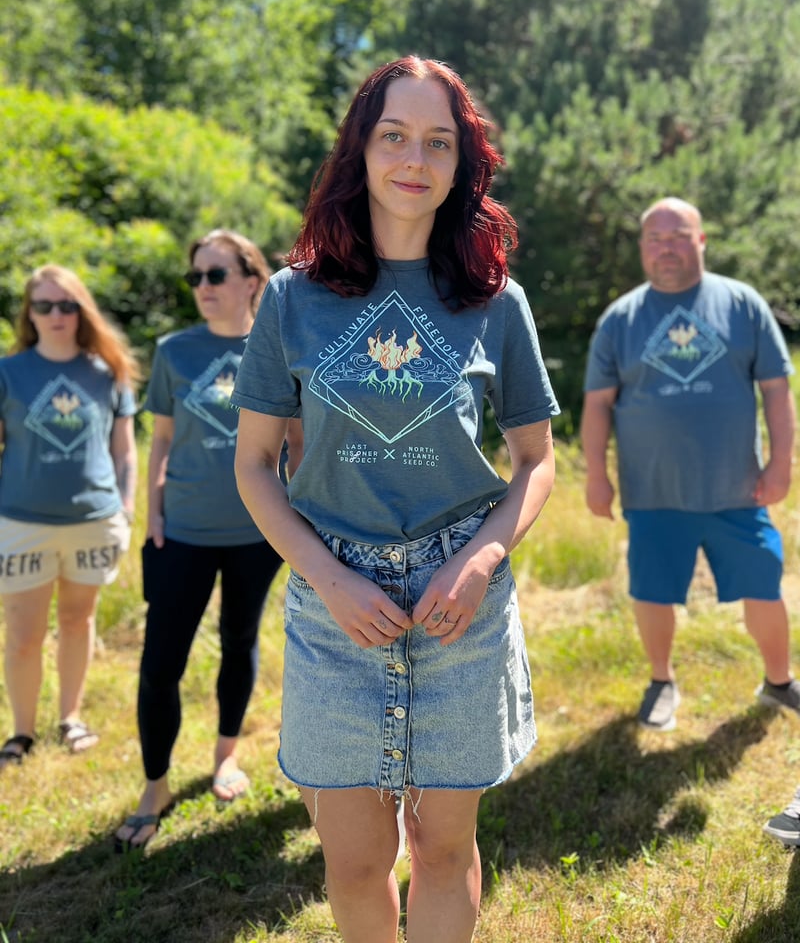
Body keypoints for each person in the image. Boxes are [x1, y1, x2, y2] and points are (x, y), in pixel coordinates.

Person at [231, 56, 558, 943]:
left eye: (438, 142)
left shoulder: (497, 302)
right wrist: (329, 580)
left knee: (444, 851)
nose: (415, 159)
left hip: (463, 603)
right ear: (361, 150)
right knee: (357, 860)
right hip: (334, 604)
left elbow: (536, 460)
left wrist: (482, 560)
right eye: (395, 136)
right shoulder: (293, 299)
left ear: (462, 166)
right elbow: (255, 466)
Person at [114, 229, 302, 852]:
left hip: (258, 532)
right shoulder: (175, 352)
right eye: (196, 277)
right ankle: (156, 785)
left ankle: (224, 757)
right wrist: (153, 516)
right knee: (160, 660)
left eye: (216, 275)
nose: (202, 288)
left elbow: (297, 442)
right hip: (185, 531)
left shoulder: (280, 346)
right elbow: (160, 439)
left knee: (239, 640)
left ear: (253, 282)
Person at [581, 196, 798, 731]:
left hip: (737, 489)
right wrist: (596, 476)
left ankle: (779, 681)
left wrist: (780, 464)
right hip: (652, 492)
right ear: (641, 249)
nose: (666, 247)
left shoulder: (742, 304)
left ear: (701, 240)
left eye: (679, 235)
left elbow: (776, 390)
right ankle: (661, 680)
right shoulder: (620, 320)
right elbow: (597, 406)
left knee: (765, 582)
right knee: (653, 590)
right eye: (654, 238)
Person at [0, 264, 138, 768]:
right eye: (44, 305)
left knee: (78, 622)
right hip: (21, 523)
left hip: (93, 520)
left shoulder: (108, 373)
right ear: (29, 313)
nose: (56, 315)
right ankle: (20, 733)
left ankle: (70, 717)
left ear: (81, 311)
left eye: (66, 305)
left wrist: (125, 510)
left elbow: (125, 453)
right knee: (23, 636)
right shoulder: (8, 373)